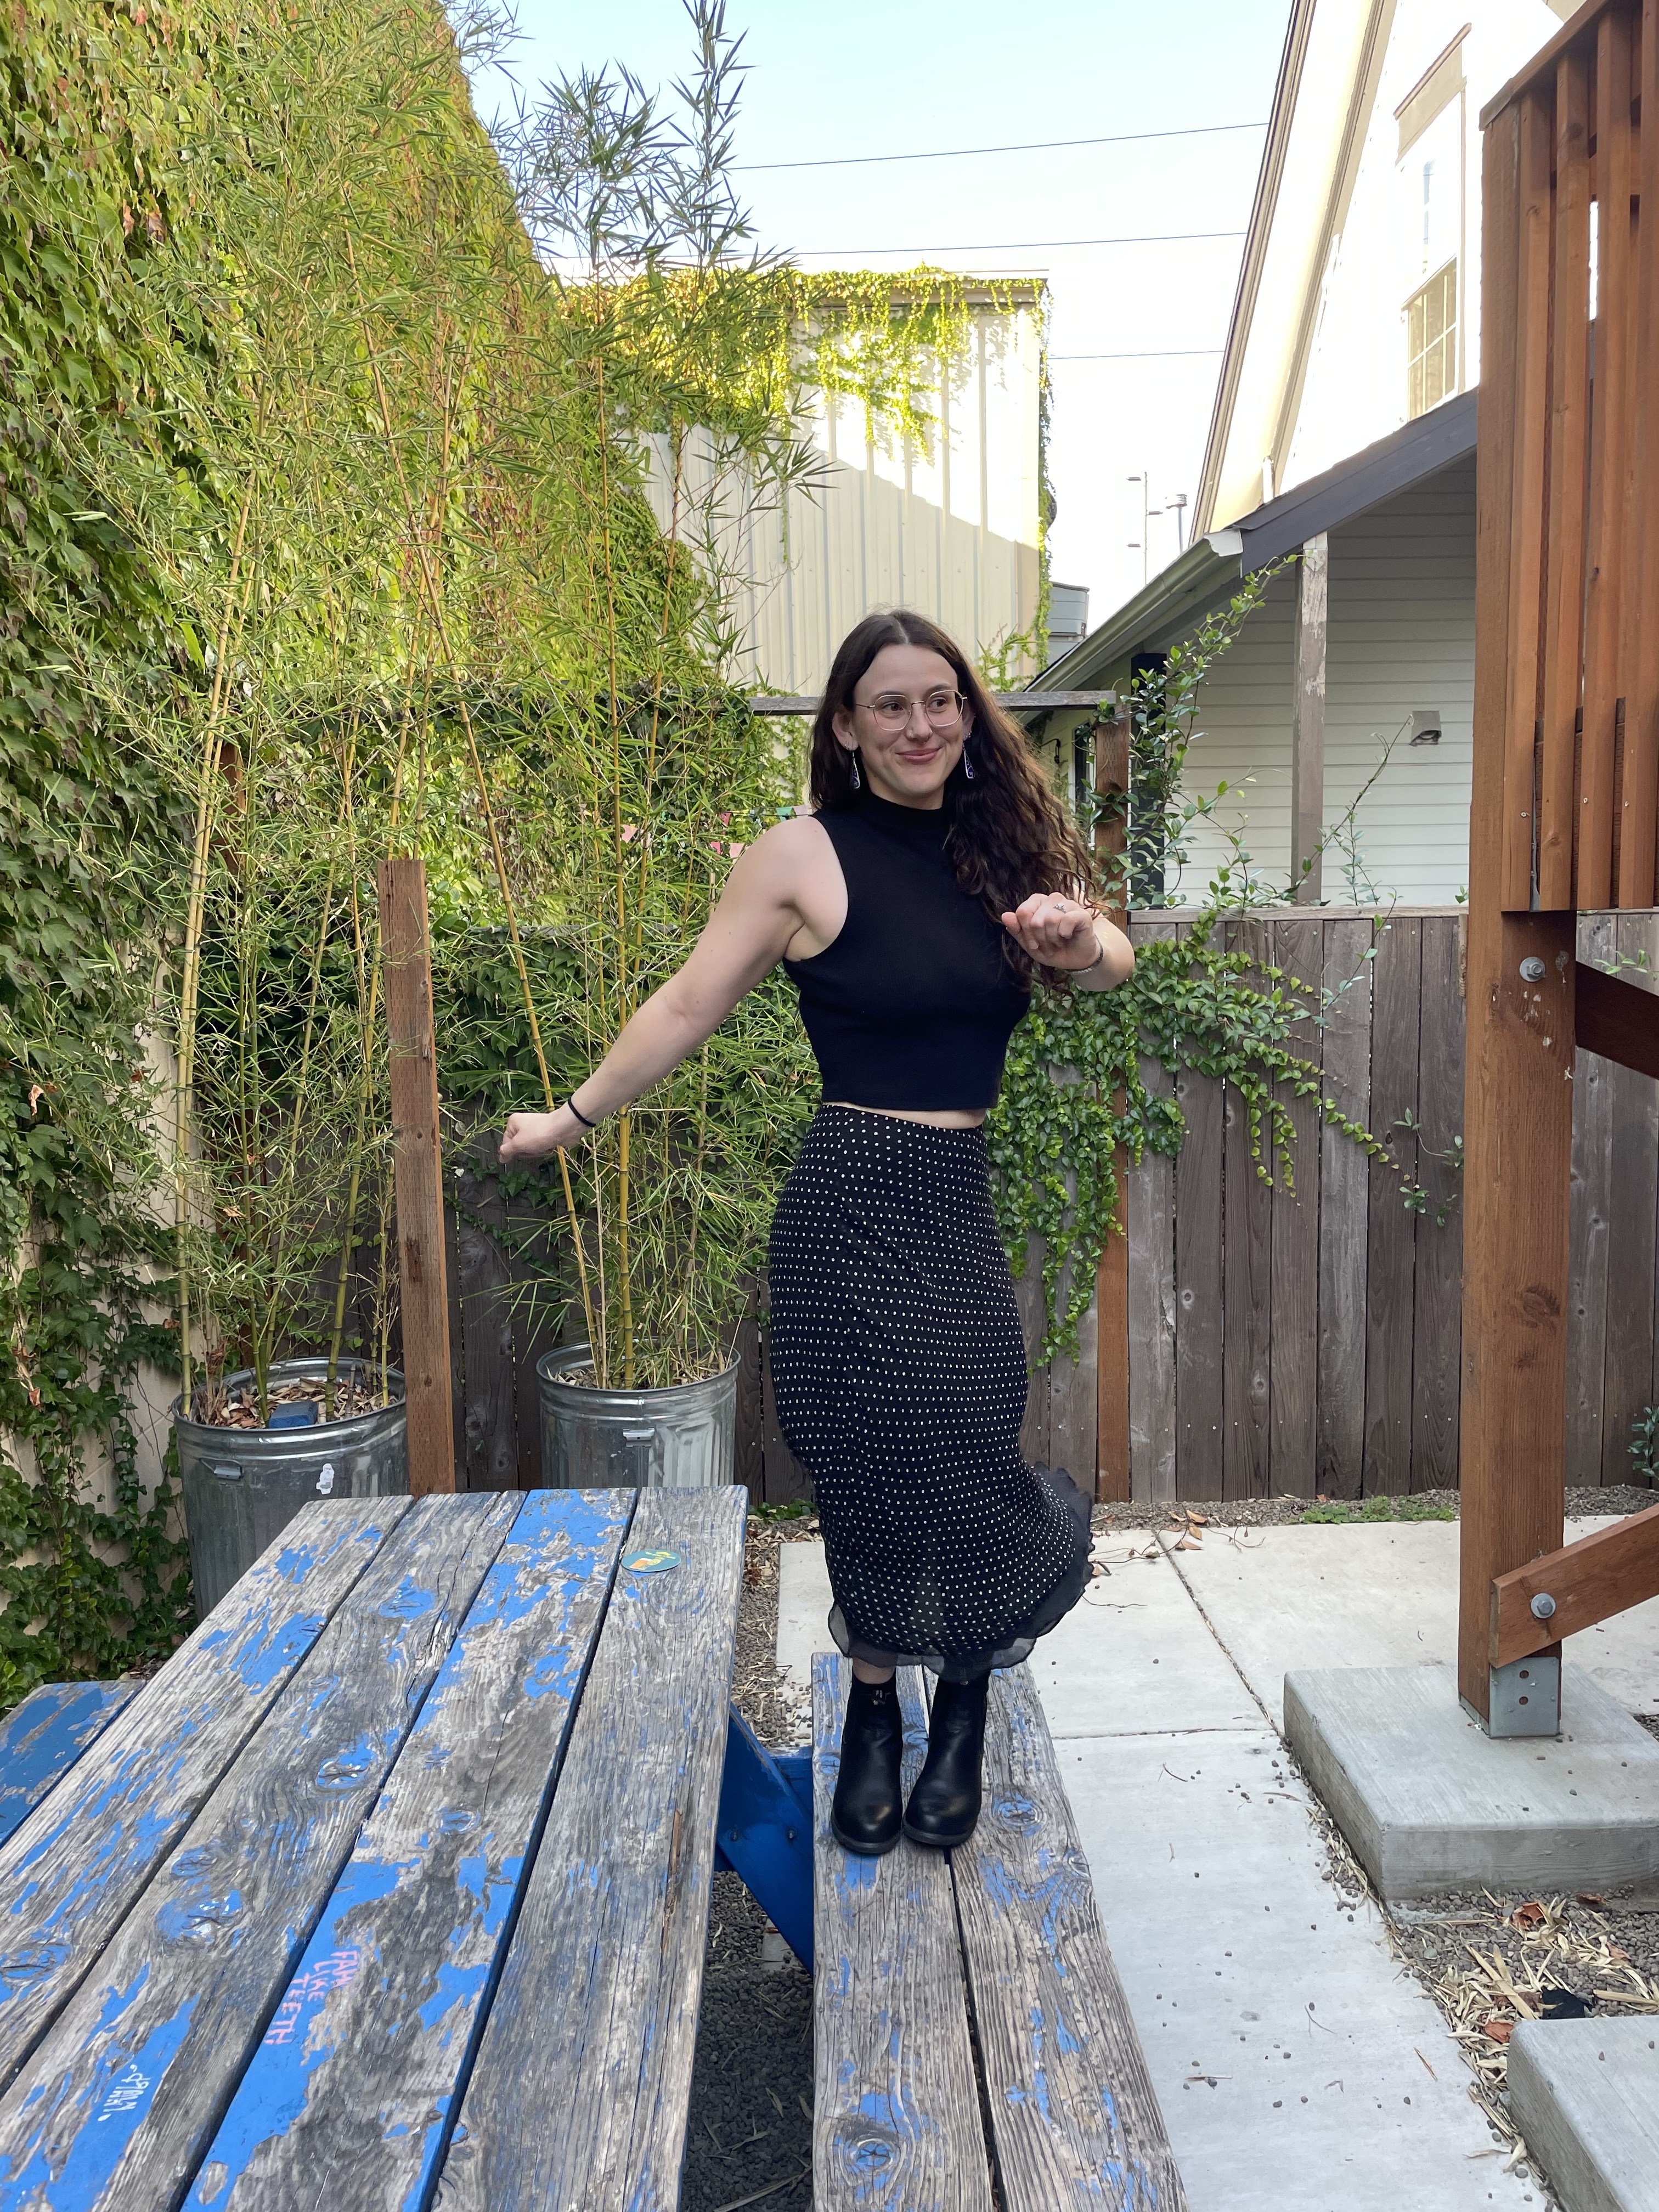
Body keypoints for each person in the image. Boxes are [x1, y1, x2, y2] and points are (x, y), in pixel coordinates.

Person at [500, 608, 1133, 1856]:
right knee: (861, 1460)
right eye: (891, 704)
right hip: (847, 1201)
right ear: (844, 725)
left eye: (942, 699)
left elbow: (1108, 960)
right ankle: (875, 1711)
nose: (922, 724)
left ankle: (965, 1704)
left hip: (952, 1198)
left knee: (963, 1438)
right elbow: (688, 1003)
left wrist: (1080, 940)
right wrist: (570, 1117)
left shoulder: (1001, 848)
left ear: (968, 713)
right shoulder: (797, 856)